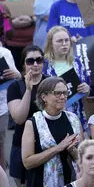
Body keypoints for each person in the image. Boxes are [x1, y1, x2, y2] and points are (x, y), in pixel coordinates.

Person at [21, 77, 83, 187]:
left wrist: (72, 149)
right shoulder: (32, 123)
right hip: (42, 182)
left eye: (65, 92)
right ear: (44, 97)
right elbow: (27, 162)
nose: (63, 97)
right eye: (57, 93)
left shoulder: (73, 119)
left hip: (72, 181)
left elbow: (82, 157)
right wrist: (58, 148)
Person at [7, 45, 44, 186]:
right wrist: (28, 90)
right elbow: (19, 118)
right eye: (30, 61)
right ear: (23, 64)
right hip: (22, 146)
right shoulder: (15, 87)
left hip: (46, 145)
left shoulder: (50, 83)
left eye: (39, 60)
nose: (35, 64)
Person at [43, 26, 90, 129]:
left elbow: (87, 91)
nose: (64, 44)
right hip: (53, 119)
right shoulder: (44, 66)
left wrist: (86, 89)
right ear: (51, 44)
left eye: (66, 40)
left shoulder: (77, 63)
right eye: (59, 41)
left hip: (78, 117)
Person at [0, 0, 42, 70]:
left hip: (33, 44)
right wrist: (11, 22)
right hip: (10, 45)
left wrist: (31, 20)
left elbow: (44, 14)